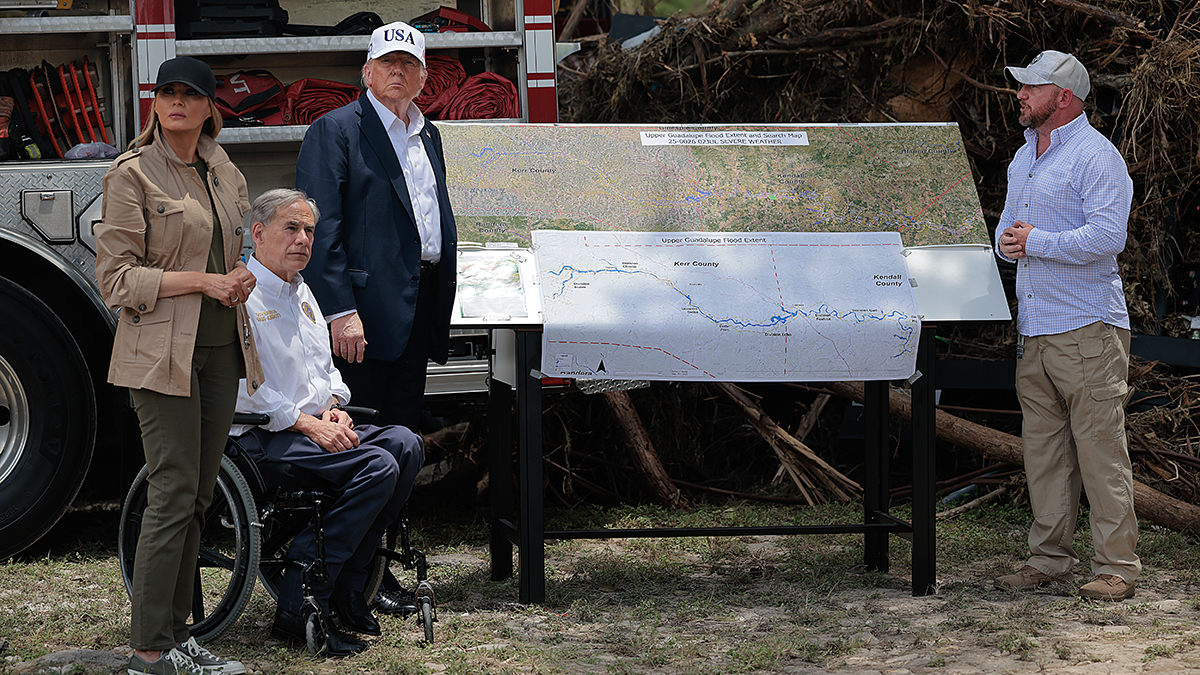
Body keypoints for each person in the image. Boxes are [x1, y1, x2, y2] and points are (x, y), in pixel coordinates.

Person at [95, 56, 264, 675]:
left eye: (188, 94)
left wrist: (241, 276)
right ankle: (148, 649)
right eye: (166, 92)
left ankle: (178, 635)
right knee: (171, 491)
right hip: (159, 354)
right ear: (154, 103)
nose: (175, 103)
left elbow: (234, 249)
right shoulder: (132, 175)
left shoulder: (222, 167)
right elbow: (115, 279)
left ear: (208, 105)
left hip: (222, 348)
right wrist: (205, 282)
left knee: (197, 496)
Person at [295, 19, 456, 614]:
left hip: (415, 313)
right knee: (360, 452)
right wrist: (340, 310)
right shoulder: (334, 130)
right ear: (366, 71)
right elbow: (322, 229)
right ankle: (339, 580)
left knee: (403, 448)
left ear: (423, 76)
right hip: (361, 321)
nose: (400, 72)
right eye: (388, 63)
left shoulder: (427, 131)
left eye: (410, 64)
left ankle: (377, 576)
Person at [230, 189, 425, 656]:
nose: (303, 240)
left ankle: (349, 585)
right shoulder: (242, 295)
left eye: (310, 231)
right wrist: (308, 424)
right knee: (376, 466)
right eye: (291, 229)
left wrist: (336, 402)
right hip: (263, 437)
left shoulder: (302, 289)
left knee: (405, 443)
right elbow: (243, 389)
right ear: (259, 234)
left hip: (313, 423)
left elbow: (326, 371)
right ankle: (300, 599)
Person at [992, 50, 1140, 601]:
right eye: (1021, 86)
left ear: (1064, 97)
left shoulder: (1097, 158)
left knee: (1101, 448)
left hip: (1087, 328)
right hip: (1036, 328)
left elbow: (1108, 238)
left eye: (1031, 88)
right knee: (1044, 449)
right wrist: (1008, 247)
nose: (1020, 94)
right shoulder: (1023, 156)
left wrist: (1036, 243)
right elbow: (1009, 234)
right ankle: (1049, 560)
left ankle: (1117, 568)